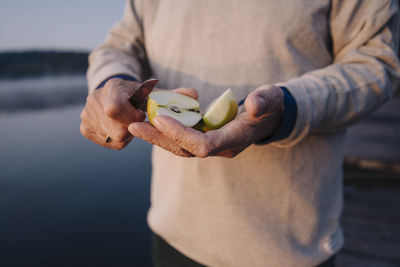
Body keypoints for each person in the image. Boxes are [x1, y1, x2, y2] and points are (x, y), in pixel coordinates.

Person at [80, 1, 400, 266]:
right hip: (174, 233)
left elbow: (376, 61)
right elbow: (119, 46)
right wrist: (112, 82)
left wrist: (288, 107)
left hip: (287, 249)